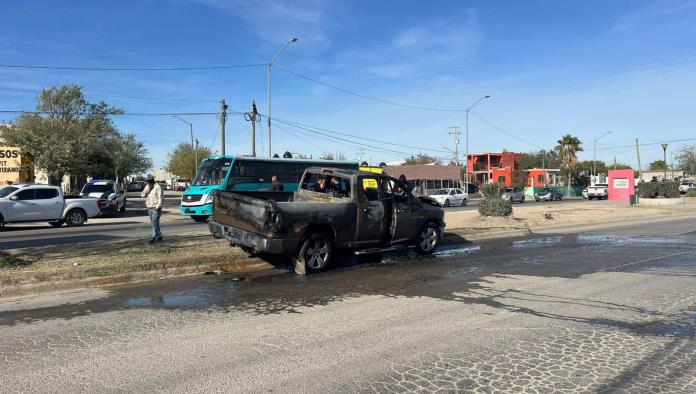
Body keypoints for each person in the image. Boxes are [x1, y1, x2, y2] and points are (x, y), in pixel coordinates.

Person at [141, 174, 164, 243]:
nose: (148, 182)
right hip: (149, 208)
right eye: (147, 181)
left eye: (149, 181)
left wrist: (158, 206)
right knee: (154, 223)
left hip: (156, 208)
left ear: (152, 180)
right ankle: (159, 236)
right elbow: (142, 195)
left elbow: (161, 197)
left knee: (155, 222)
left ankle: (153, 237)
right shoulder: (147, 186)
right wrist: (147, 190)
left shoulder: (158, 187)